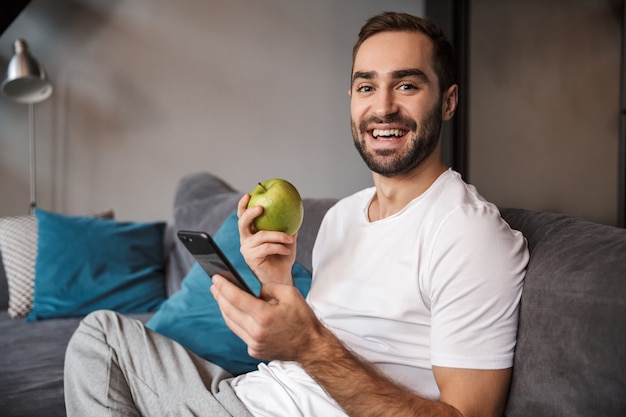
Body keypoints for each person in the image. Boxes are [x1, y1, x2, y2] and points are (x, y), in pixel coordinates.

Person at [64, 11, 528, 417]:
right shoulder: (343, 217)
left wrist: (307, 345)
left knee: (103, 351)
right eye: (367, 86)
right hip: (248, 394)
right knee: (102, 337)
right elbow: (306, 346)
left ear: (447, 101)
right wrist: (275, 280)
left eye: (406, 85)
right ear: (351, 98)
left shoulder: (467, 233)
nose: (383, 107)